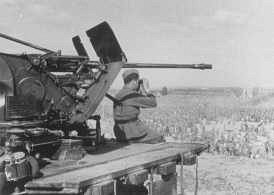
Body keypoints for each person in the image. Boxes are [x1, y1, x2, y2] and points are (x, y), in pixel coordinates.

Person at [113, 69, 164, 143]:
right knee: (160, 138)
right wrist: (147, 90)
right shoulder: (132, 95)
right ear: (134, 81)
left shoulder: (119, 94)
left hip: (120, 133)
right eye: (137, 81)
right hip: (133, 132)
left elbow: (135, 104)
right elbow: (153, 103)